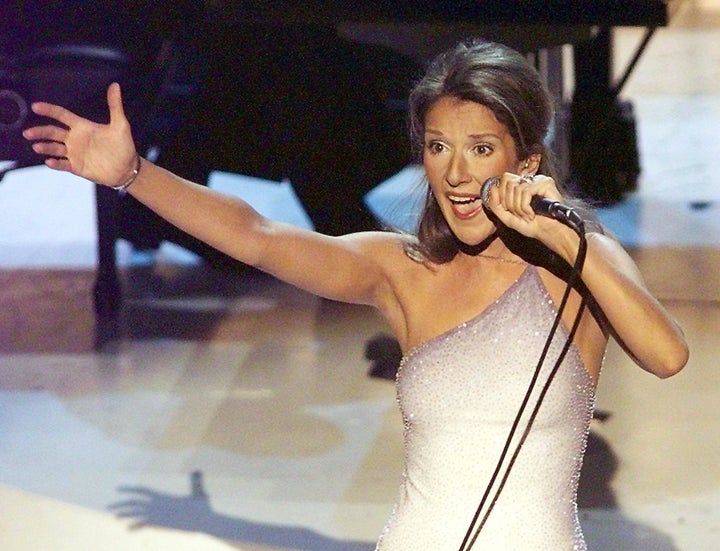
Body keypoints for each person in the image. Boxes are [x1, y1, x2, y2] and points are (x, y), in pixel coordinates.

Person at [23, 39, 688, 550]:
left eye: (481, 148)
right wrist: (135, 174)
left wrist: (566, 237)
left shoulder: (581, 262)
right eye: (437, 146)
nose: (455, 173)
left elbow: (666, 356)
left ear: (525, 162)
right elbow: (256, 234)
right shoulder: (403, 271)